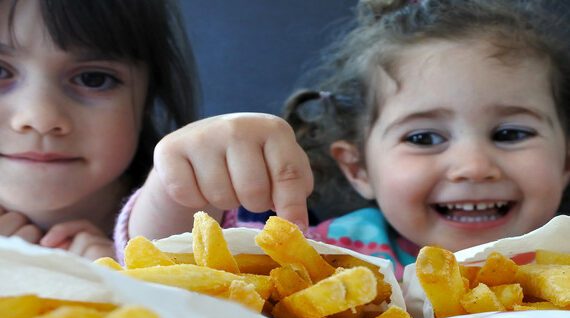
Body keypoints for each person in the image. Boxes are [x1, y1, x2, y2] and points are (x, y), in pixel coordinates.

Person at [121, 0, 570, 279]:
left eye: (511, 133)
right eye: (424, 137)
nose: (473, 165)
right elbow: (173, 266)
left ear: (566, 159)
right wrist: (178, 182)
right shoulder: (331, 255)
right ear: (357, 168)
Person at [0, 0, 198, 260]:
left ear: (148, 99)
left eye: (93, 78)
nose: (41, 118)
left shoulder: (227, 228)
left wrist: (132, 287)